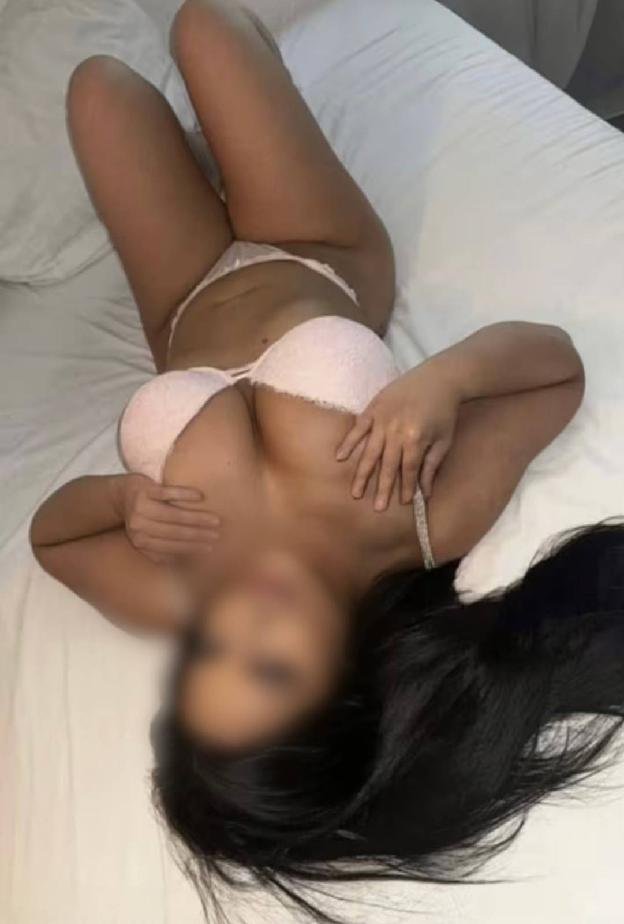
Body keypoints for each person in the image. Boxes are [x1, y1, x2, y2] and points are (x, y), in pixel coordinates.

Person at [29, 2, 624, 920]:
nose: (243, 623)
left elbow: (53, 542)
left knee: (97, 91)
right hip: (318, 252)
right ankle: (239, 146)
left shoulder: (187, 593)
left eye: (213, 655)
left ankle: (208, 164)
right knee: (206, 27)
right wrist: (447, 382)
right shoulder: (419, 520)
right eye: (271, 667)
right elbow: (556, 374)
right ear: (350, 681)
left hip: (183, 305)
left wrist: (117, 500)